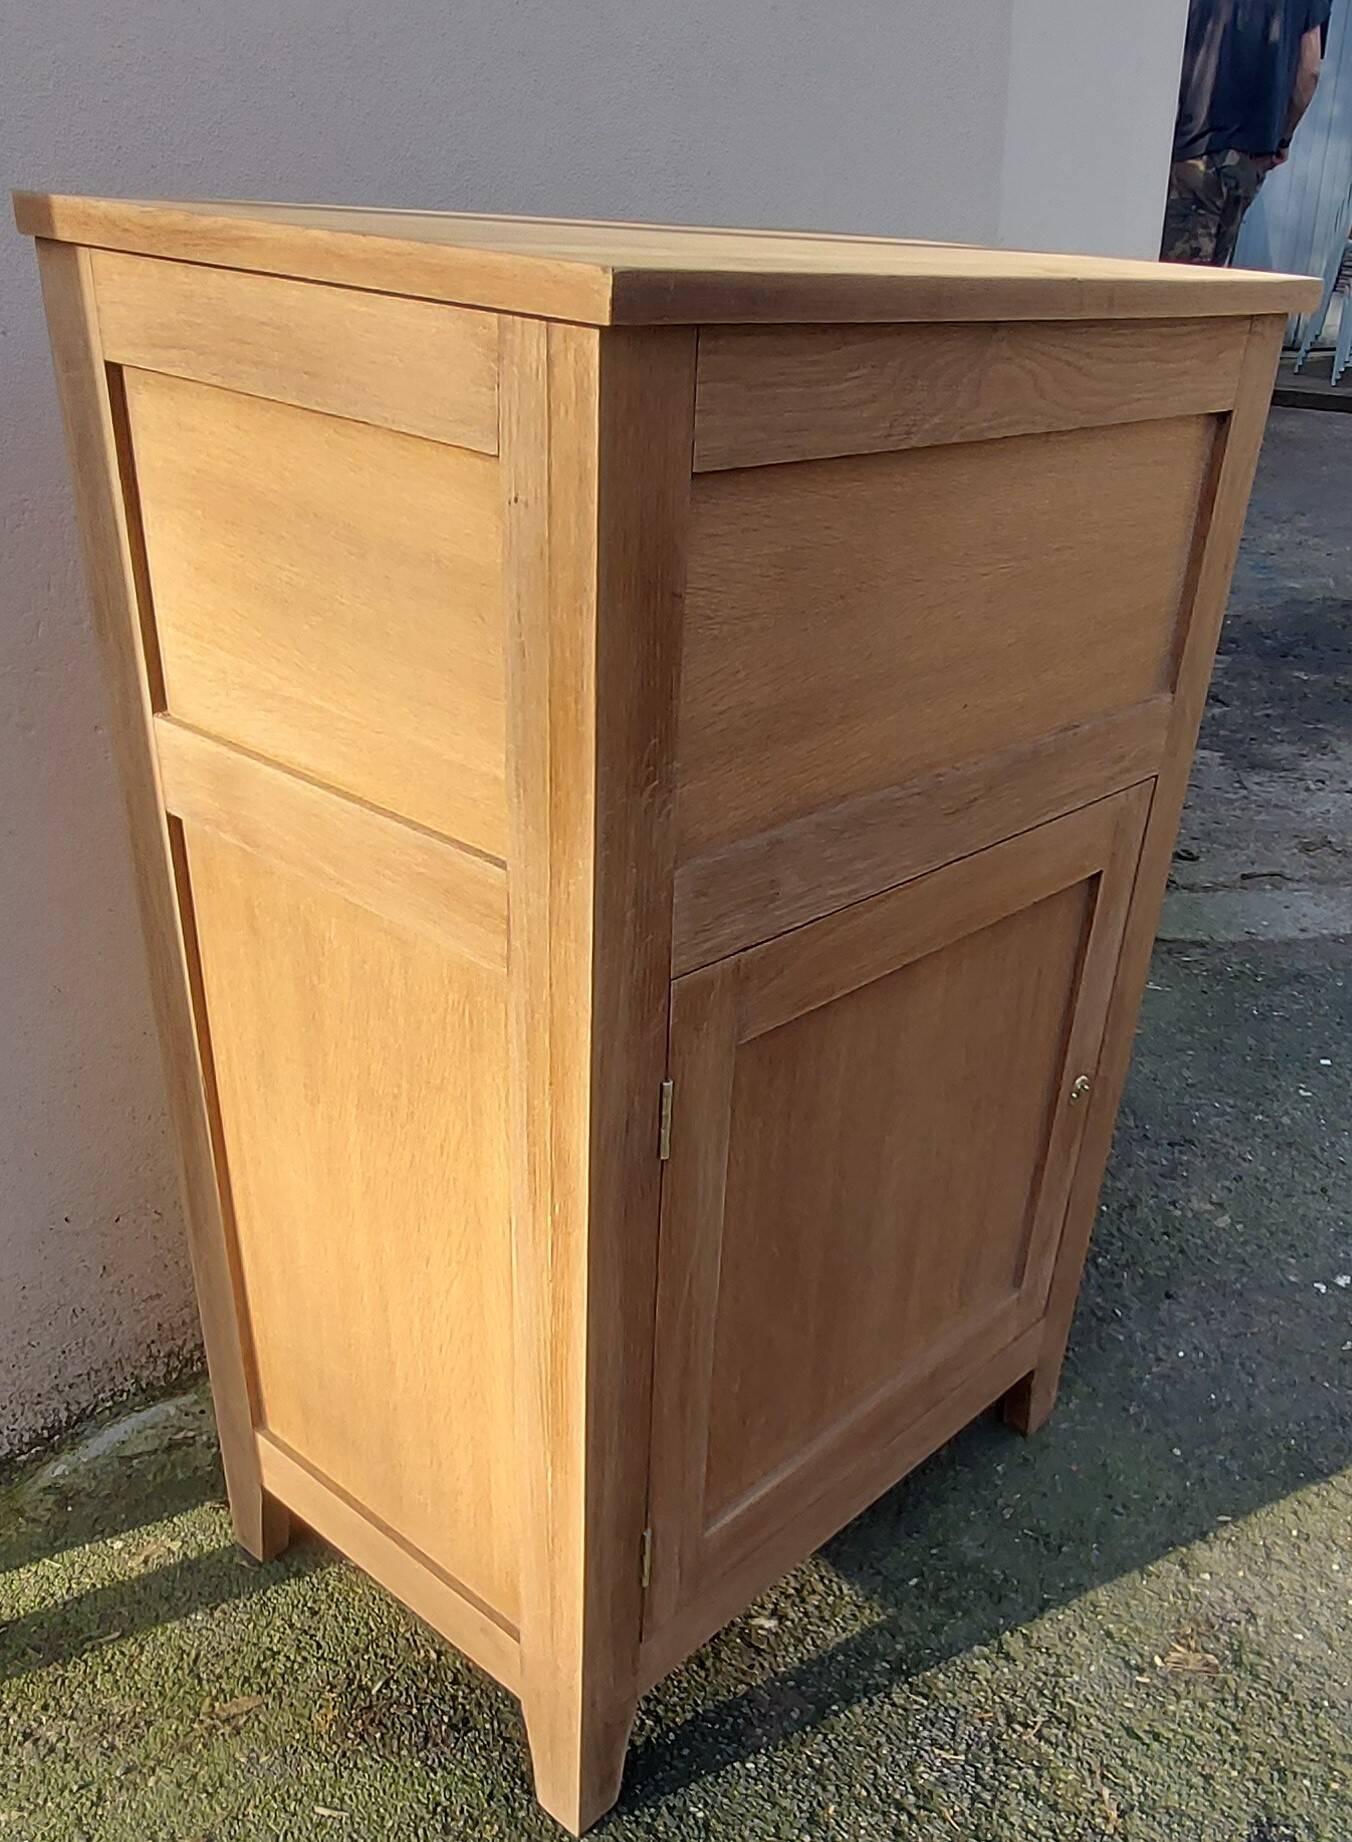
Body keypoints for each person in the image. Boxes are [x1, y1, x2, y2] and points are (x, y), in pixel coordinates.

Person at [1161, 0, 1331, 265]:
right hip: (1251, 159)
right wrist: (1283, 137)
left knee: (1176, 286)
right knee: (1212, 283)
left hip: (1193, 147)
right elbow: (1309, 71)